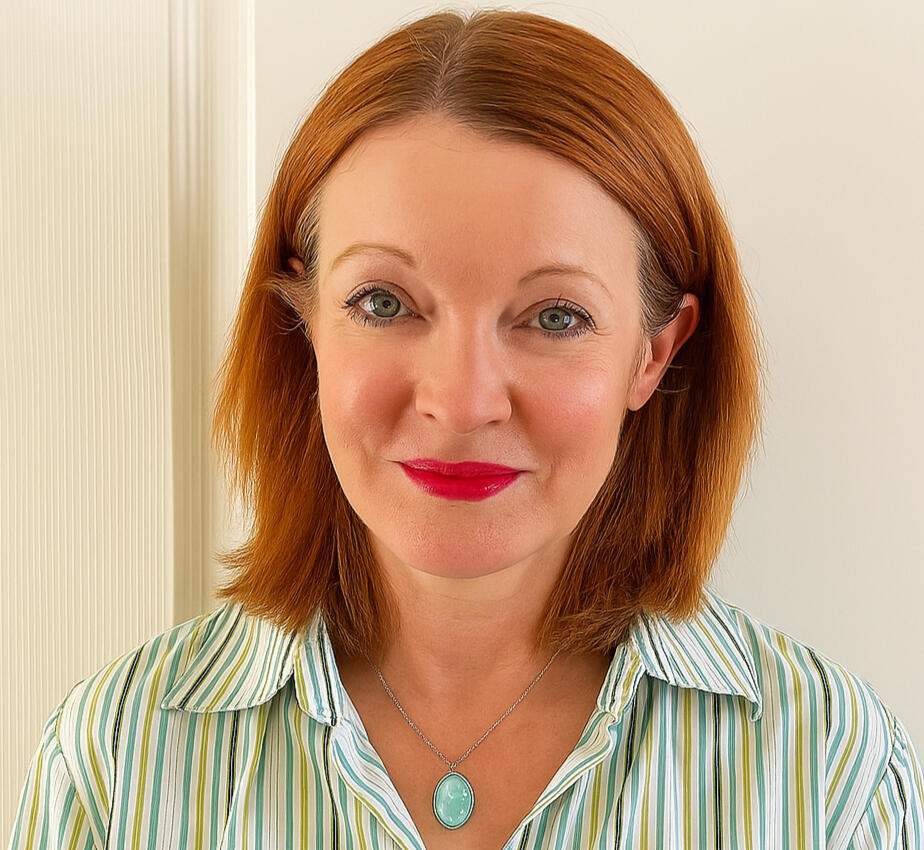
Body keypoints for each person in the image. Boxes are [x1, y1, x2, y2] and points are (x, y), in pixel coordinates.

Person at [9, 8, 923, 850]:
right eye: (384, 302)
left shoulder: (829, 772)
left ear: (654, 354)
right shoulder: (117, 763)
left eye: (555, 317)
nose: (462, 401)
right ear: (304, 324)